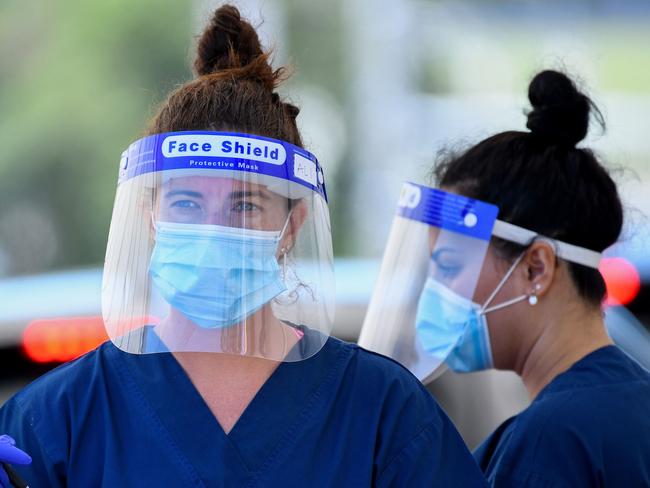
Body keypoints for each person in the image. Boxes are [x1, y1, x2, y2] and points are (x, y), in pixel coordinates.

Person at [0, 6, 486, 487]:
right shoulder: (56, 421)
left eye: (245, 205)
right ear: (150, 215)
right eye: (187, 203)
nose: (213, 231)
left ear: (292, 225)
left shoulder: (381, 412)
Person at [359, 69, 650, 486]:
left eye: (450, 267)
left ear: (536, 268)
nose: (435, 293)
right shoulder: (630, 401)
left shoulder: (551, 439)